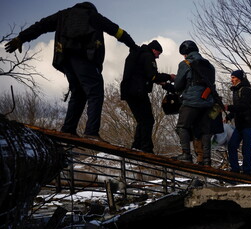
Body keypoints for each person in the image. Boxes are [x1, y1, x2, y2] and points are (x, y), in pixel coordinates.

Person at [4, 2, 138, 141]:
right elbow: (117, 31)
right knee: (95, 92)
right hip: (86, 58)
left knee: (78, 92)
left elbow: (41, 25)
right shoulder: (94, 16)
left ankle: (68, 129)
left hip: (65, 59)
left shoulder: (63, 15)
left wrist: (21, 38)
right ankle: (91, 132)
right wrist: (133, 46)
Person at [120, 40, 173, 153]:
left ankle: (136, 146)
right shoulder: (148, 56)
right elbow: (152, 76)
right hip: (138, 91)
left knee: (142, 120)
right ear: (154, 50)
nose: (158, 57)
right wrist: (169, 76)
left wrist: (161, 82)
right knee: (148, 120)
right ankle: (146, 148)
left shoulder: (139, 55)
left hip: (129, 91)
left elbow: (145, 75)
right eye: (158, 54)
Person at [172, 40, 215, 165]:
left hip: (191, 101)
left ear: (185, 52)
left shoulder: (185, 63)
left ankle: (186, 154)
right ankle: (207, 159)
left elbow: (178, 85)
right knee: (205, 131)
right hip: (207, 102)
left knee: (182, 127)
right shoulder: (209, 65)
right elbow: (211, 82)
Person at [226, 70, 251, 175]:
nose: (231, 80)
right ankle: (235, 170)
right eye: (231, 77)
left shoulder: (245, 90)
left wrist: (228, 107)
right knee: (231, 146)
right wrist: (229, 116)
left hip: (248, 124)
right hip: (240, 125)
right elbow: (238, 108)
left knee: (246, 149)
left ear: (239, 78)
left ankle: (247, 171)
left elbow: (243, 106)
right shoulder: (236, 90)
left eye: (233, 77)